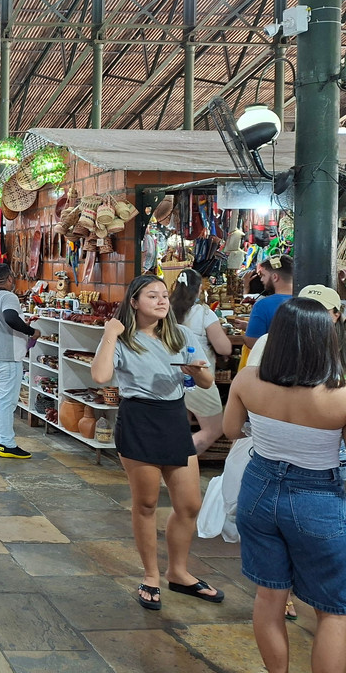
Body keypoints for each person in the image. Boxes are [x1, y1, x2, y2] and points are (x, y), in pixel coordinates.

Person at [224, 298, 346, 673]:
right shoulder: (340, 396)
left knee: (269, 596)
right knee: (334, 610)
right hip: (319, 497)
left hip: (258, 487)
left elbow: (231, 431)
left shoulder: (247, 380)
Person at [91, 274, 221, 611]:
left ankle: (178, 572)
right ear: (134, 302)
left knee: (190, 504)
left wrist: (197, 369)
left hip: (175, 418)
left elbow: (205, 381)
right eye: (153, 296)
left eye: (165, 295)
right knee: (146, 503)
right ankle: (151, 575)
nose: (162, 301)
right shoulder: (123, 339)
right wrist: (109, 334)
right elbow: (101, 377)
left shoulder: (182, 335)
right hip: (140, 419)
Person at [169, 268, 233, 453]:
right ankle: (180, 459)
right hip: (197, 378)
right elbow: (224, 348)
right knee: (215, 428)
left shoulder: (165, 311)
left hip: (171, 377)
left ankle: (169, 463)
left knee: (179, 428)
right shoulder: (203, 313)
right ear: (198, 290)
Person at [0, 264, 38, 459]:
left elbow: (3, 323)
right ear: (9, 279)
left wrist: (22, 326)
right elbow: (11, 318)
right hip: (7, 358)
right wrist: (31, 331)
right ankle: (7, 443)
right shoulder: (8, 297)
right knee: (7, 400)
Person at [243, 255, 293, 349]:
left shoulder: (263, 305)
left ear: (275, 277)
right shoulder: (307, 301)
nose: (261, 279)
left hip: (274, 360)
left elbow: (252, 342)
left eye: (264, 275)